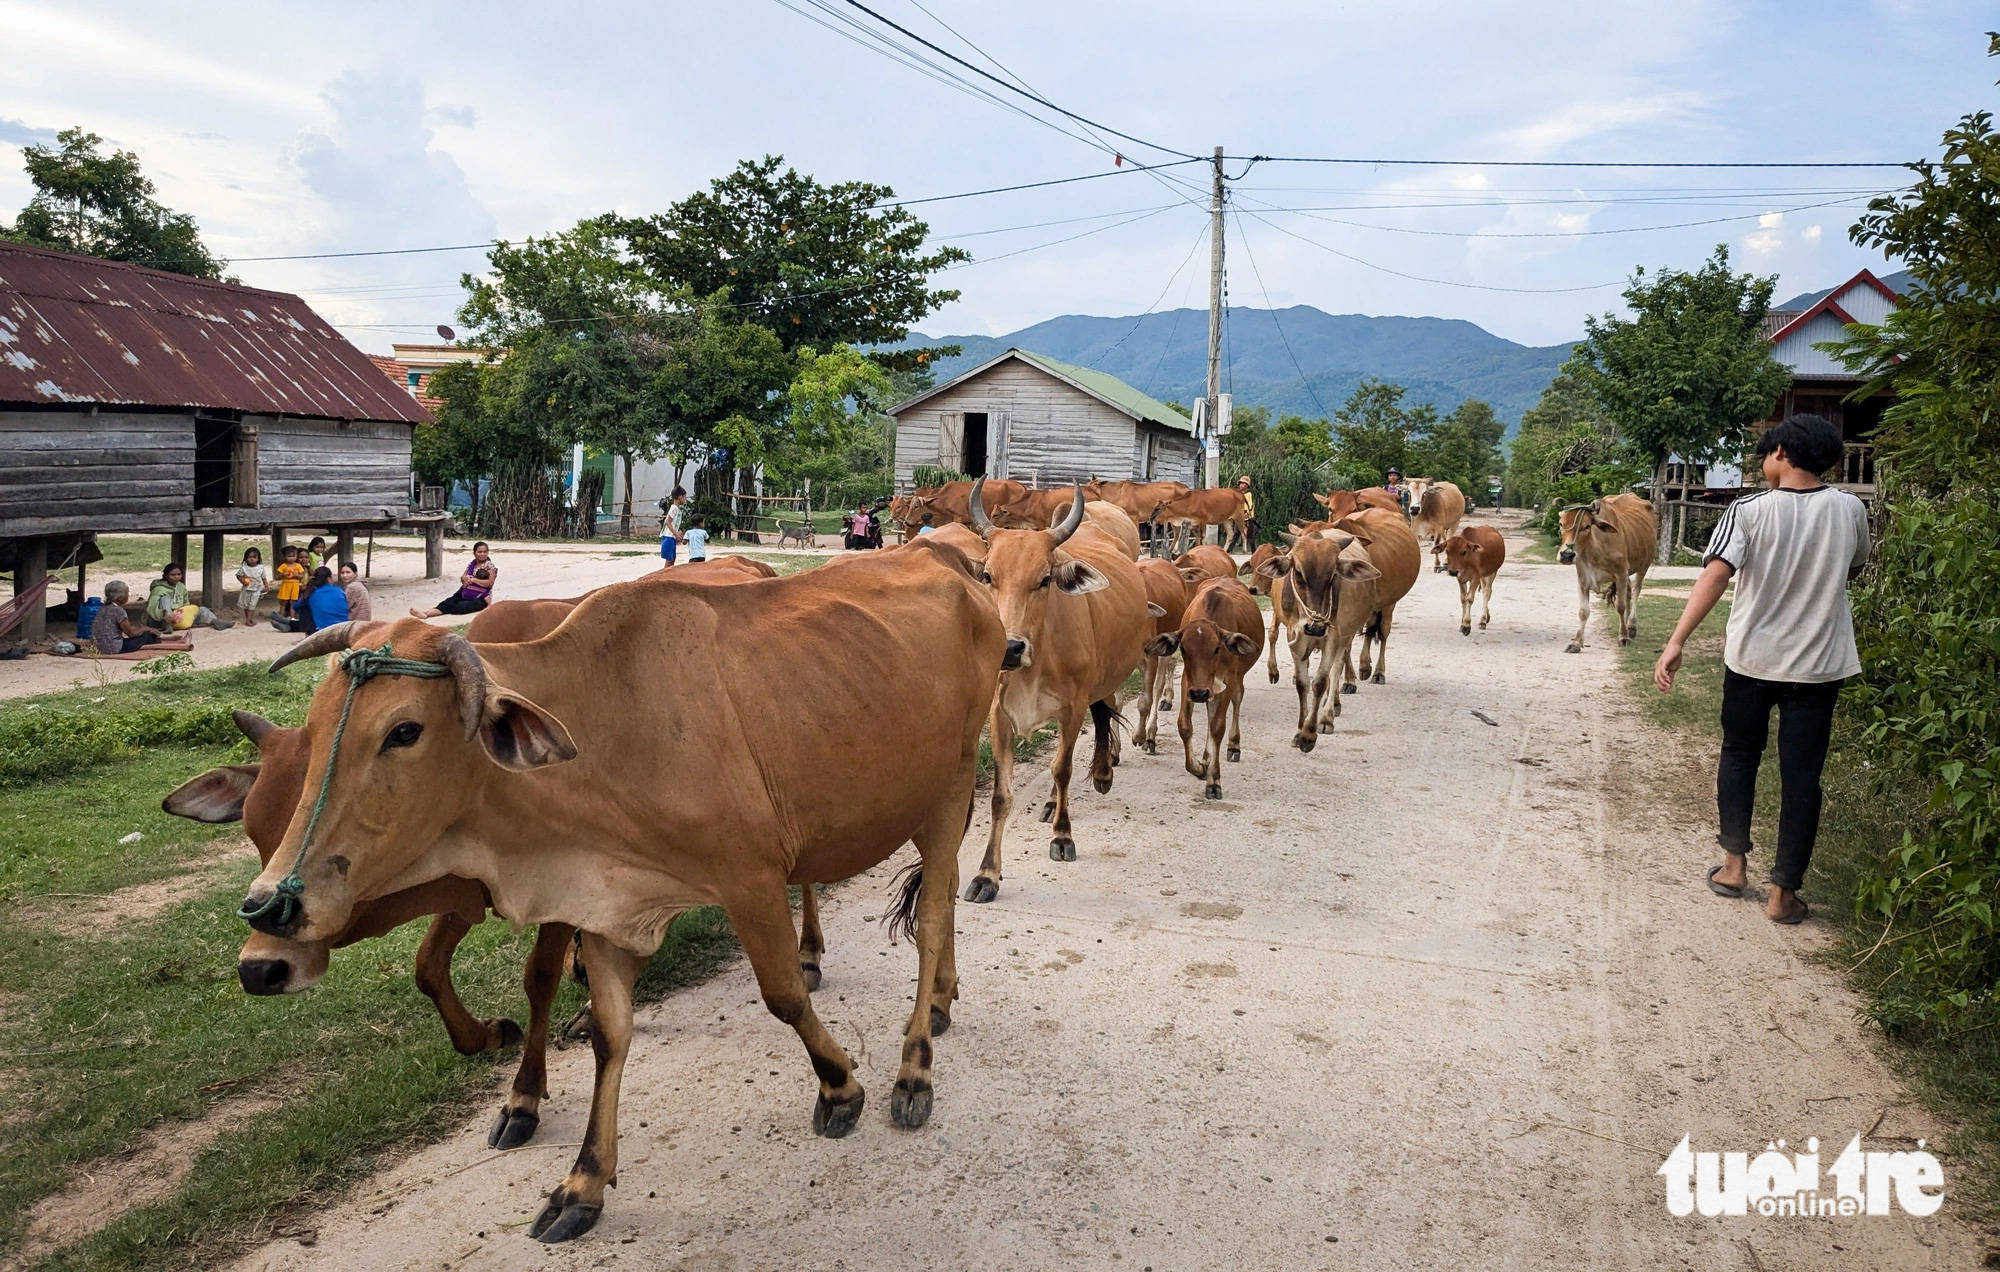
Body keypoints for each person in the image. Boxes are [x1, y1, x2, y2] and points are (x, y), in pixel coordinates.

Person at [1655, 414, 1870, 927]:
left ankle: (1733, 867)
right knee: (1802, 777)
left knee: (1739, 756)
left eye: (1765, 452)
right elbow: (1855, 569)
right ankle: (1783, 894)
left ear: (1780, 454)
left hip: (1752, 661)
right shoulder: (1851, 508)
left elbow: (1716, 575)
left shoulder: (1748, 509)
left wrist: (1676, 640)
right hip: (1819, 667)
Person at [93, 580, 190, 656]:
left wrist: (141, 629)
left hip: (100, 647)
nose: (128, 595)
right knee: (148, 636)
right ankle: (171, 642)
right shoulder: (119, 611)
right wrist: (145, 629)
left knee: (144, 633)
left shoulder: (103, 608)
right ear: (120, 596)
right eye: (127, 593)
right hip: (114, 648)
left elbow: (125, 627)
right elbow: (130, 633)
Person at [411, 541, 498, 618]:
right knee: (448, 602)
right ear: (474, 553)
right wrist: (464, 578)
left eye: (485, 552)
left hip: (481, 598)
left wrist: (474, 580)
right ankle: (426, 614)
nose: (482, 554)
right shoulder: (472, 564)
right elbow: (463, 577)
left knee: (461, 607)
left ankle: (447, 609)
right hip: (465, 593)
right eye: (480, 552)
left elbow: (490, 583)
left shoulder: (490, 566)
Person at [145, 563, 228, 630]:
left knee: (202, 610)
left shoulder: (181, 587)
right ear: (166, 576)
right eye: (173, 575)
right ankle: (168, 626)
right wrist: (165, 616)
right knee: (165, 599)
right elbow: (152, 608)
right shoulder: (158, 589)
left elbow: (186, 603)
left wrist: (186, 613)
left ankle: (214, 621)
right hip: (159, 618)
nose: (176, 577)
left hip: (177, 615)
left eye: (179, 574)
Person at [298, 566, 349, 634]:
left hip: (322, 630)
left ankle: (307, 633)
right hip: (343, 627)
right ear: (328, 579)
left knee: (305, 607)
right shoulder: (339, 590)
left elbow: (296, 606)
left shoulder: (312, 593)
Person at [234, 547, 268, 627]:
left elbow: (263, 577)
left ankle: (249, 620)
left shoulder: (260, 568)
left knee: (252, 605)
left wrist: (266, 585)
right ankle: (249, 618)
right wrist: (242, 580)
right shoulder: (244, 568)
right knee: (246, 605)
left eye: (254, 557)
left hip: (256, 589)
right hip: (246, 589)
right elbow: (238, 575)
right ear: (246, 558)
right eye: (249, 557)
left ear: (258, 558)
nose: (252, 559)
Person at [274, 545, 306, 621]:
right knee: (283, 602)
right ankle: (281, 617)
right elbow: (277, 576)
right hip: (286, 585)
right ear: (285, 556)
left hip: (295, 585)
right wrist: (283, 574)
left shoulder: (298, 565)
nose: (291, 558)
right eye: (289, 556)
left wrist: (297, 575)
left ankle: (292, 617)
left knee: (293, 602)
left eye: (293, 556)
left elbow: (302, 575)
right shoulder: (283, 566)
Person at [659, 487, 688, 565]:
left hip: (672, 537)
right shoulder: (674, 508)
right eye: (684, 497)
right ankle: (664, 575)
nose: (685, 499)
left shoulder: (677, 509)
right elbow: (668, 522)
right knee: (669, 559)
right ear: (680, 497)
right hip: (669, 537)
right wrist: (675, 534)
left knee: (673, 558)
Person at [1234, 475, 1258, 550]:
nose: (1241, 485)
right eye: (1240, 483)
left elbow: (1250, 506)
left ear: (1247, 485)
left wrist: (1246, 514)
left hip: (1247, 517)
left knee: (1250, 535)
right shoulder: (1237, 494)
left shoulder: (1248, 494)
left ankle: (1254, 551)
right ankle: (1229, 550)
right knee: (1236, 534)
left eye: (1243, 483)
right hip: (1239, 516)